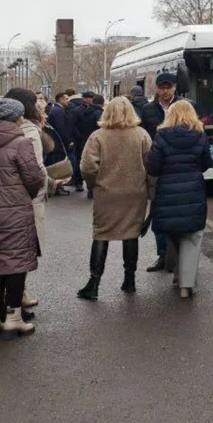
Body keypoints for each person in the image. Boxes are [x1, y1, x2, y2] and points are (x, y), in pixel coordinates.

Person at [0, 98, 44, 340]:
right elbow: (34, 178)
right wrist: (26, 195)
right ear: (17, 118)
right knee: (15, 263)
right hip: (13, 211)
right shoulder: (20, 143)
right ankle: (13, 318)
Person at [77, 96, 152, 300]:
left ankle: (94, 283)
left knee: (101, 234)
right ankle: (129, 280)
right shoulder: (142, 135)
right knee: (131, 234)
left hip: (107, 193)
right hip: (135, 193)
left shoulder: (98, 136)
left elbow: (87, 167)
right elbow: (151, 166)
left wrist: (95, 183)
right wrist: (151, 193)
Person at [147, 101, 211, 299]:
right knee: (192, 237)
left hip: (167, 190)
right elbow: (206, 164)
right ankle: (186, 285)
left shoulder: (161, 136)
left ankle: (176, 273)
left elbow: (153, 168)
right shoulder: (200, 136)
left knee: (173, 232)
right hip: (193, 190)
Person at [5, 88, 50, 317]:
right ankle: (16, 300)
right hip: (25, 199)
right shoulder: (29, 131)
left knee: (0, 250)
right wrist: (44, 186)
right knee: (22, 251)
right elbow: (35, 169)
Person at [139, 72, 180, 272]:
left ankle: (180, 256)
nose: (165, 91)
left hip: (179, 167)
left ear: (175, 87)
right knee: (158, 212)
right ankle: (162, 255)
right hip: (157, 168)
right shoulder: (147, 110)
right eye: (161, 87)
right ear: (156, 88)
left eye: (168, 87)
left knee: (180, 213)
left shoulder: (184, 107)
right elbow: (144, 138)